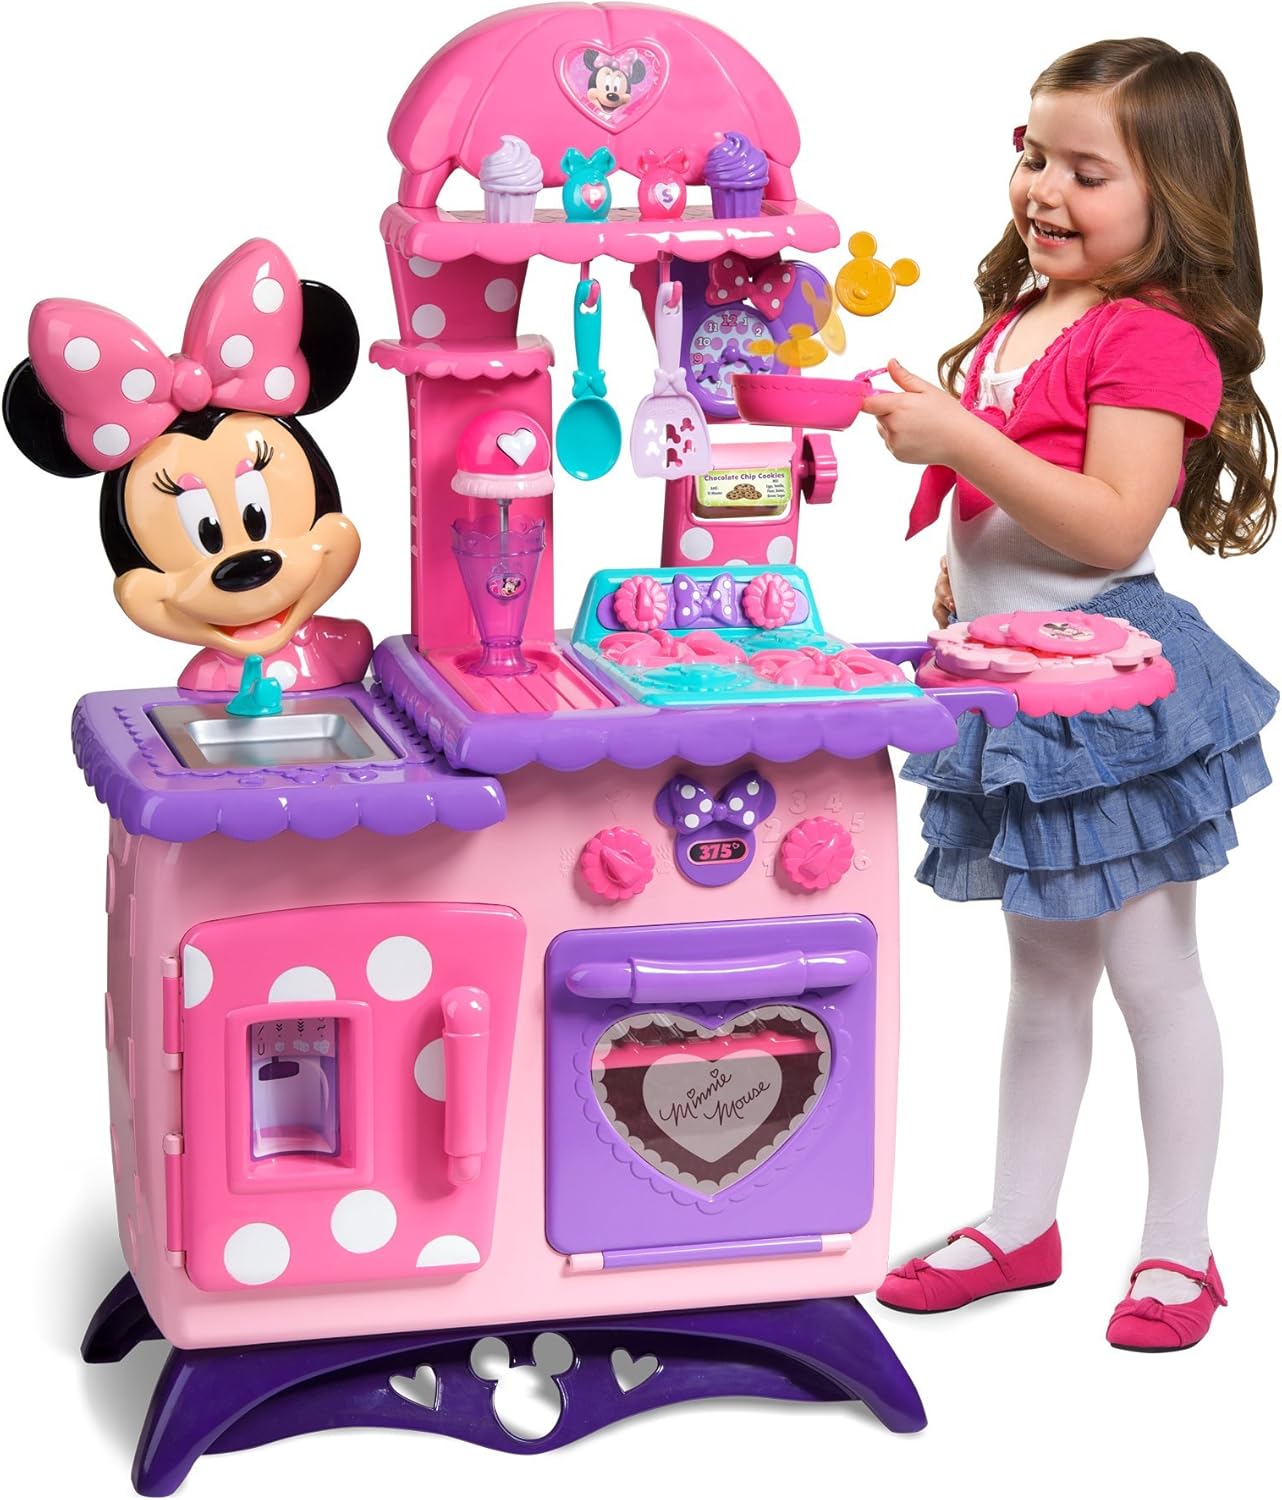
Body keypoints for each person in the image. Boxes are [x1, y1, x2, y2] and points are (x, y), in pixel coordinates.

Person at [862, 38, 1277, 1351]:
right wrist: (961, 574)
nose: (1044, 188)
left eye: (1086, 172)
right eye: (1033, 155)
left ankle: (1179, 1250)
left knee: (1154, 975)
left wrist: (959, 440)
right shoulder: (1031, 311)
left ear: (1175, 195)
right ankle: (1019, 1221)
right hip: (1017, 688)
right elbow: (1016, 503)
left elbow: (1107, 525)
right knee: (1042, 974)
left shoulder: (1151, 337)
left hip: (1111, 688)